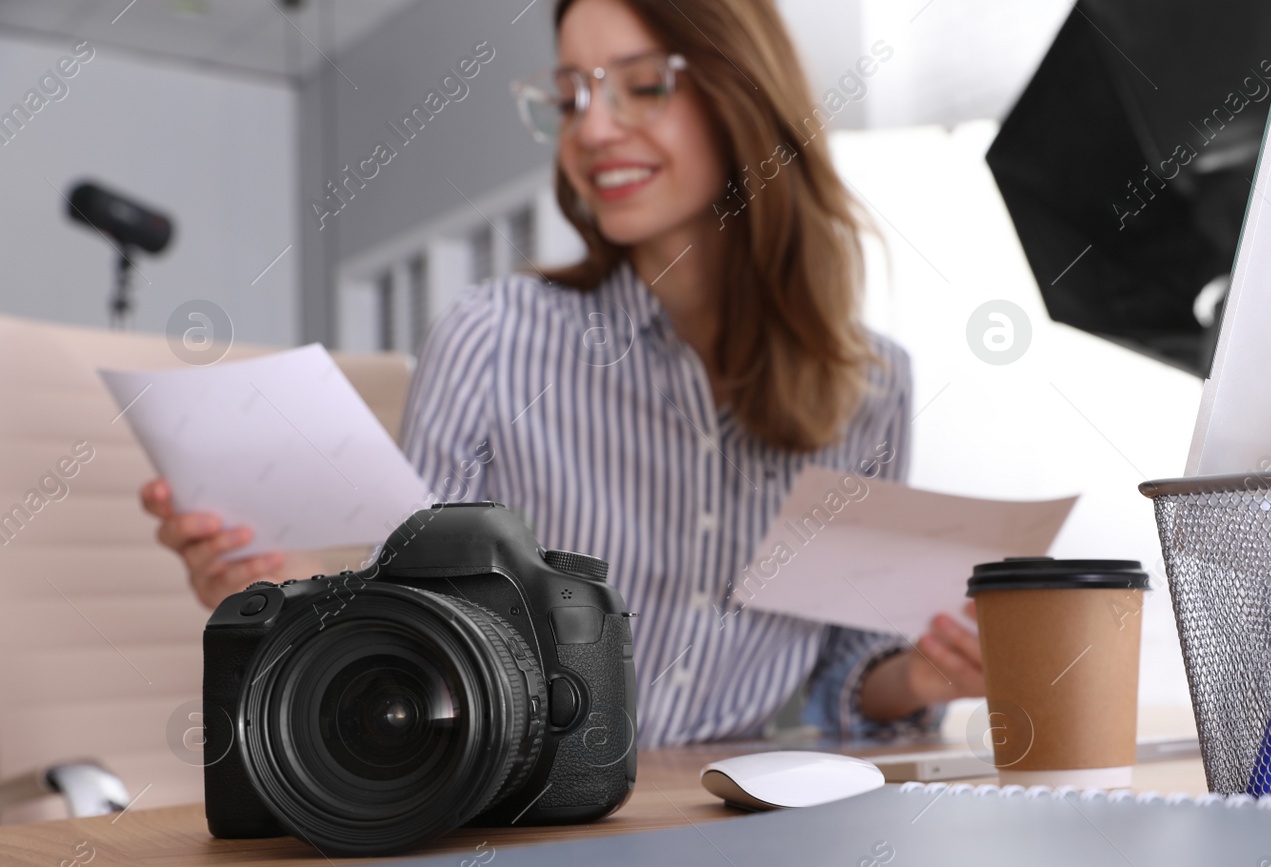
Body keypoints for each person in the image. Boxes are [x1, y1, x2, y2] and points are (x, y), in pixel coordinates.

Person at [140, 0, 984, 745]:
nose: (594, 127)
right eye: (572, 95)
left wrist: (927, 675)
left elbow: (842, 683)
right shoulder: (493, 337)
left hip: (743, 818)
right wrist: (276, 593)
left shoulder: (872, 385)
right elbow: (400, 628)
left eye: (641, 83)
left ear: (745, 93)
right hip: (531, 818)